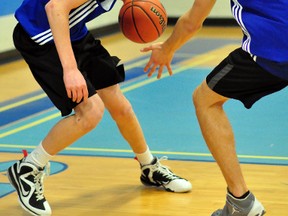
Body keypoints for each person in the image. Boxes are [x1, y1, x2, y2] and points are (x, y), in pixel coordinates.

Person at [6, 0, 192, 215]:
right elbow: (55, 7)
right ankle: (28, 169)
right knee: (90, 112)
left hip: (74, 33)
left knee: (121, 107)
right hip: (41, 37)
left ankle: (149, 166)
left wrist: (165, 43)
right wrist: (70, 69)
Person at [142, 0, 288, 215]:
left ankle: (241, 202)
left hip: (273, 49)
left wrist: (167, 48)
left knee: (205, 100)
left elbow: (193, 21)